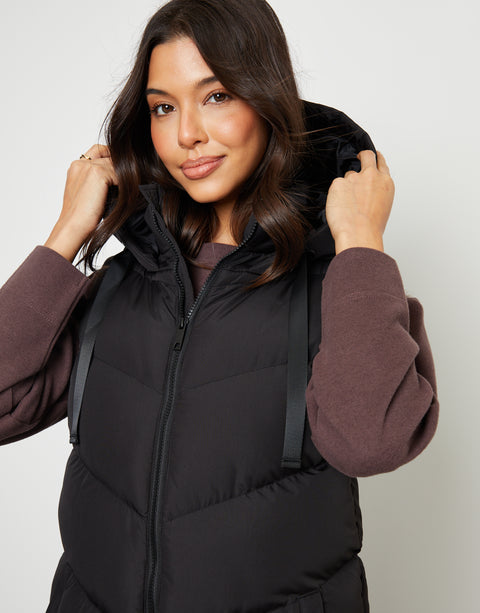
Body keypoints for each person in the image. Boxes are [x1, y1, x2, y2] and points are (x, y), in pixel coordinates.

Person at [0, 0, 439, 611]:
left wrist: (361, 243)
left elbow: (372, 442)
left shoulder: (344, 292)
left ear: (267, 100)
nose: (187, 134)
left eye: (216, 96)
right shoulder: (121, 286)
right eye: (163, 107)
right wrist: (67, 232)